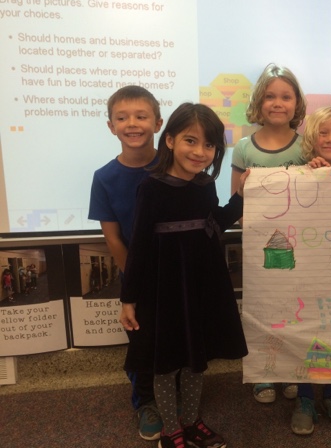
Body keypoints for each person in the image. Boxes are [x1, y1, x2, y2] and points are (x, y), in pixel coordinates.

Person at [119, 102, 250, 448]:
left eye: (209, 145)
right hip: (163, 290)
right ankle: (171, 428)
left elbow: (214, 223)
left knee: (195, 360)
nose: (200, 151)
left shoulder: (205, 185)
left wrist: (239, 197)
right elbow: (139, 245)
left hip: (201, 286)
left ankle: (191, 422)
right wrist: (128, 299)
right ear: (170, 140)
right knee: (166, 363)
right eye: (191, 141)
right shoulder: (151, 187)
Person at [88, 85, 164, 440]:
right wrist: (134, 284)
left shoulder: (174, 167)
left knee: (176, 337)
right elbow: (114, 239)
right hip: (136, 278)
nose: (132, 123)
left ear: (158, 123)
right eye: (122, 118)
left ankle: (174, 393)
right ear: (111, 126)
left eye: (141, 116)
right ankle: (145, 401)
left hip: (176, 272)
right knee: (141, 343)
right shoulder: (104, 178)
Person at [232, 63, 307, 404]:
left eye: (286, 97)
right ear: (258, 103)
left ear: (297, 103)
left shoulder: (306, 147)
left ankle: (290, 369)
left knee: (295, 308)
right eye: (270, 96)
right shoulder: (243, 148)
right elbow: (237, 202)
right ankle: (264, 371)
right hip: (259, 246)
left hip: (298, 246)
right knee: (261, 309)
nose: (278, 103)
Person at [289, 106, 331, 436]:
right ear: (312, 139)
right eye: (323, 132)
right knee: (306, 330)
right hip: (307, 272)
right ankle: (305, 397)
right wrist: (309, 174)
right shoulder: (300, 172)